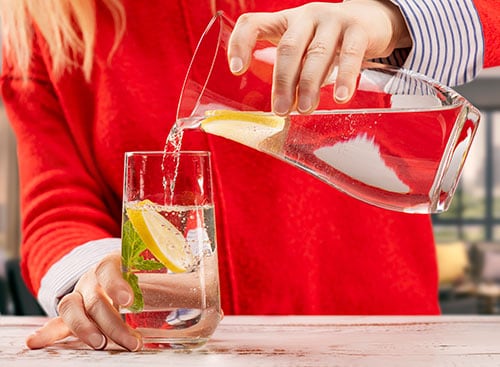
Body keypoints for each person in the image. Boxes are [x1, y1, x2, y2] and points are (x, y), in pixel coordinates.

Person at [0, 0, 497, 352]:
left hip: (380, 340)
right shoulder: (44, 24)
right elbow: (56, 206)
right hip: (177, 349)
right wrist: (95, 273)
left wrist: (391, 17)